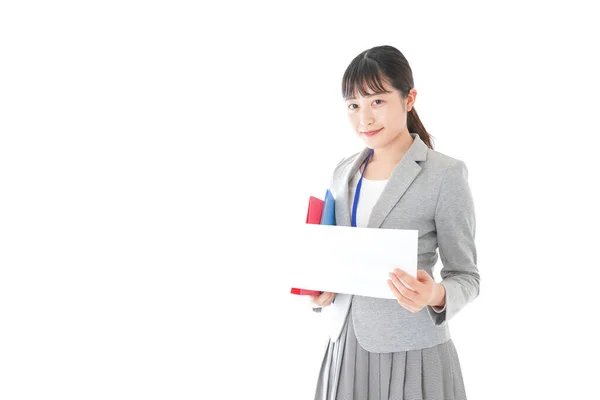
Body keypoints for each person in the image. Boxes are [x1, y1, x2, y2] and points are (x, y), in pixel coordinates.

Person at [308, 45, 480, 400]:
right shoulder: (343, 172)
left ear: (409, 98)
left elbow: (467, 275)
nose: (364, 119)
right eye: (353, 105)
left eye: (377, 102)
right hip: (345, 346)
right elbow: (335, 259)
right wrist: (319, 291)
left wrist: (435, 294)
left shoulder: (445, 174)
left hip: (413, 350)